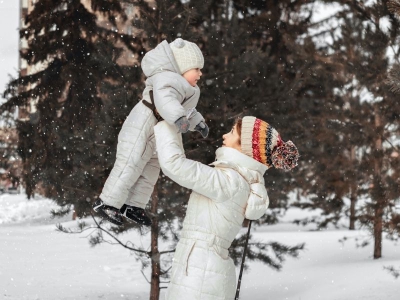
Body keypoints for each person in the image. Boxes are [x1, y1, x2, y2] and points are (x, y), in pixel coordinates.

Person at [153, 116, 299, 300]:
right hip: (204, 271)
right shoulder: (238, 181)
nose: (224, 135)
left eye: (231, 132)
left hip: (201, 276)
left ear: (244, 148)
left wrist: (167, 123)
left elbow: (174, 165)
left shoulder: (229, 181)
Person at [93, 38, 209, 226]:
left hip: (159, 130)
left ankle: (133, 206)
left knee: (151, 169)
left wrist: (198, 122)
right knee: (130, 162)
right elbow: (165, 101)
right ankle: (107, 202)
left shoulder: (189, 89)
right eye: (197, 69)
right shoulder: (166, 79)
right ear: (182, 66)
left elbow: (187, 109)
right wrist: (179, 118)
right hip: (142, 124)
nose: (200, 74)